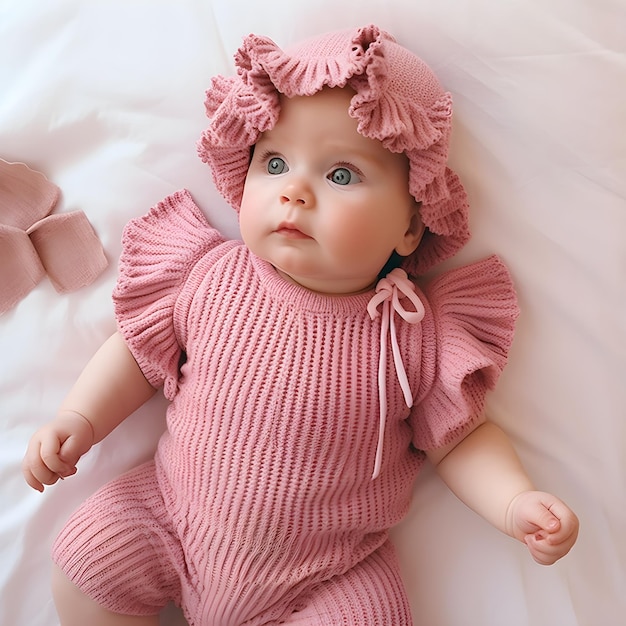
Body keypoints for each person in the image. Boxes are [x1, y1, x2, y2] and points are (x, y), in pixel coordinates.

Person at [22, 24, 579, 626]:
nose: (295, 192)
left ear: (411, 227)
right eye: (276, 162)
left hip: (326, 574)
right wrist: (80, 418)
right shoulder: (212, 276)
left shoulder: (411, 332)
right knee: (91, 555)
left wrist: (515, 500)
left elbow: (462, 438)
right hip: (172, 520)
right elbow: (137, 353)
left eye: (341, 175)